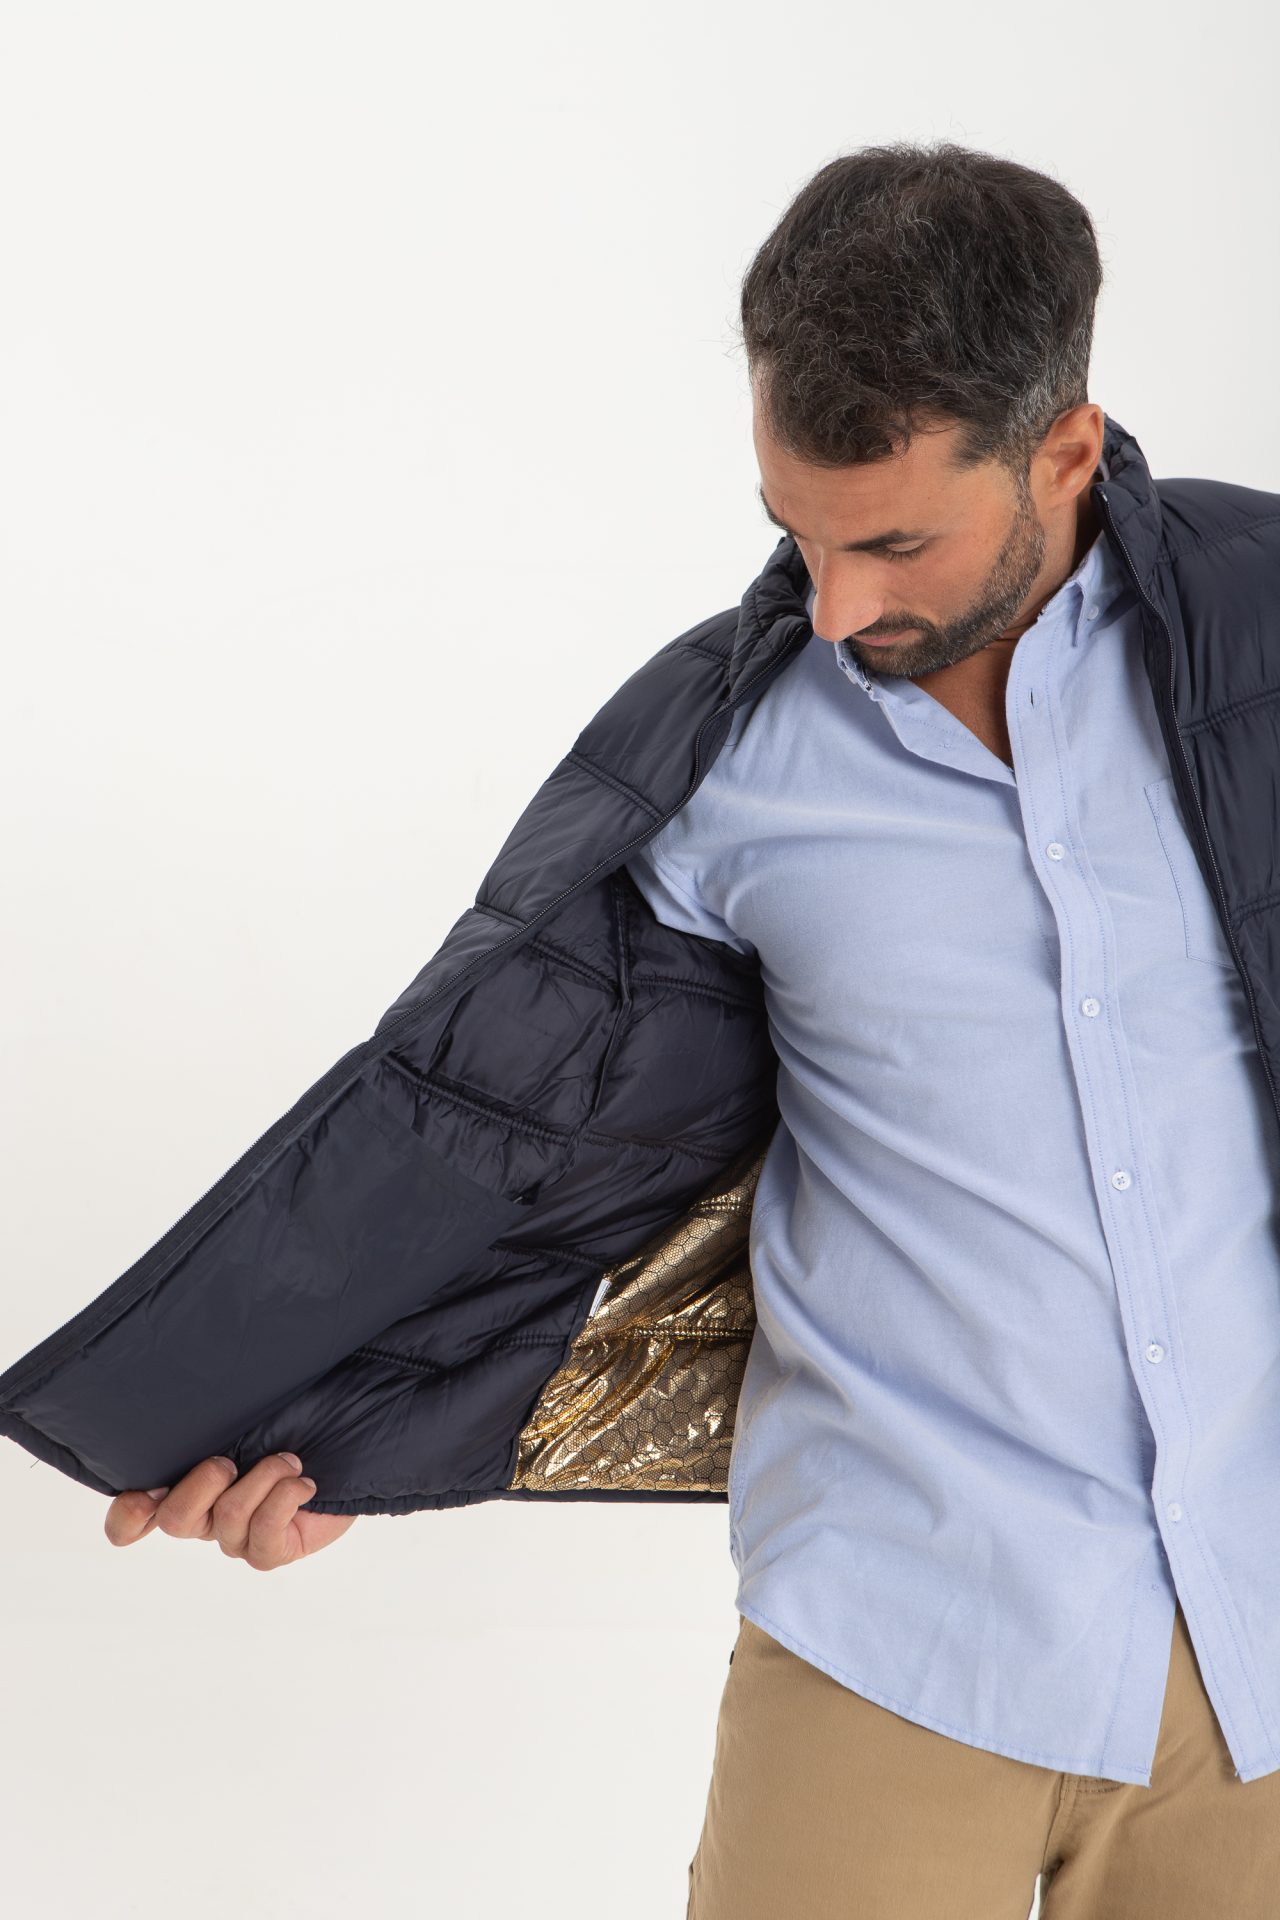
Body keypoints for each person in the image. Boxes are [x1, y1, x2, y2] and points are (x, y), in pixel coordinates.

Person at [19, 139, 1280, 1918]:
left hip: (1257, 1654)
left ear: (1064, 451)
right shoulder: (724, 757)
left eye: (894, 541)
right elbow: (511, 1132)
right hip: (892, 1641)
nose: (834, 608)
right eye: (797, 536)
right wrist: (343, 1423)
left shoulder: (1256, 636)